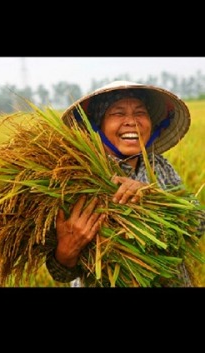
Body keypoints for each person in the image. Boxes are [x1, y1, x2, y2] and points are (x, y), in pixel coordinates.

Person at [46, 80, 204, 287]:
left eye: (140, 112)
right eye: (118, 113)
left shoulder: (160, 167)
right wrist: (66, 252)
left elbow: (198, 224)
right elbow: (60, 273)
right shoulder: (78, 179)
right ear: (97, 125)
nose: (132, 121)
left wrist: (153, 196)